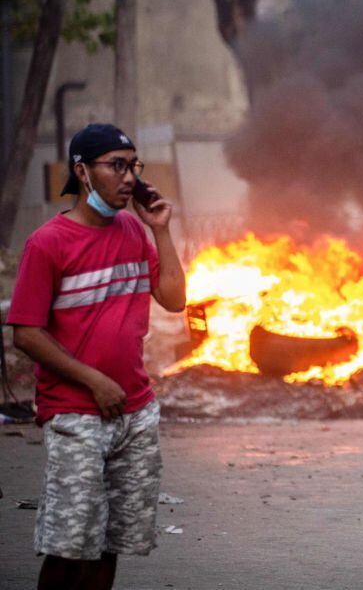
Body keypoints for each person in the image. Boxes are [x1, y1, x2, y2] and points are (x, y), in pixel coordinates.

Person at [6, 123, 186, 590]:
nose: (129, 178)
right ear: (83, 172)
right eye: (117, 165)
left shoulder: (132, 229)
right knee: (70, 546)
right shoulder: (48, 243)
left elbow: (173, 298)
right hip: (76, 416)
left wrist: (162, 231)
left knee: (110, 543)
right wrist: (93, 380)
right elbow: (26, 333)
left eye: (133, 166)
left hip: (135, 414)